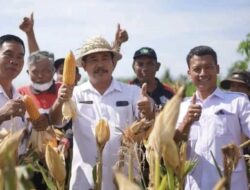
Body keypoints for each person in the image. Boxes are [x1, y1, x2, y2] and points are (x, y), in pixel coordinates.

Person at [50, 36, 155, 190]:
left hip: (125, 181)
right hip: (85, 182)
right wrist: (59, 100)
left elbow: (147, 115)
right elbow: (56, 121)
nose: (100, 64)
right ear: (84, 66)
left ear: (113, 63)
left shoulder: (132, 92)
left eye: (105, 58)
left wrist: (148, 108)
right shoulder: (75, 94)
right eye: (93, 59)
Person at [175, 45, 250, 190]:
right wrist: (186, 122)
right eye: (197, 69)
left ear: (218, 69)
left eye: (208, 67)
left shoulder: (237, 102)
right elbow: (168, 148)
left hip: (231, 185)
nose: (203, 73)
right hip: (194, 186)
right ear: (189, 73)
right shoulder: (182, 107)